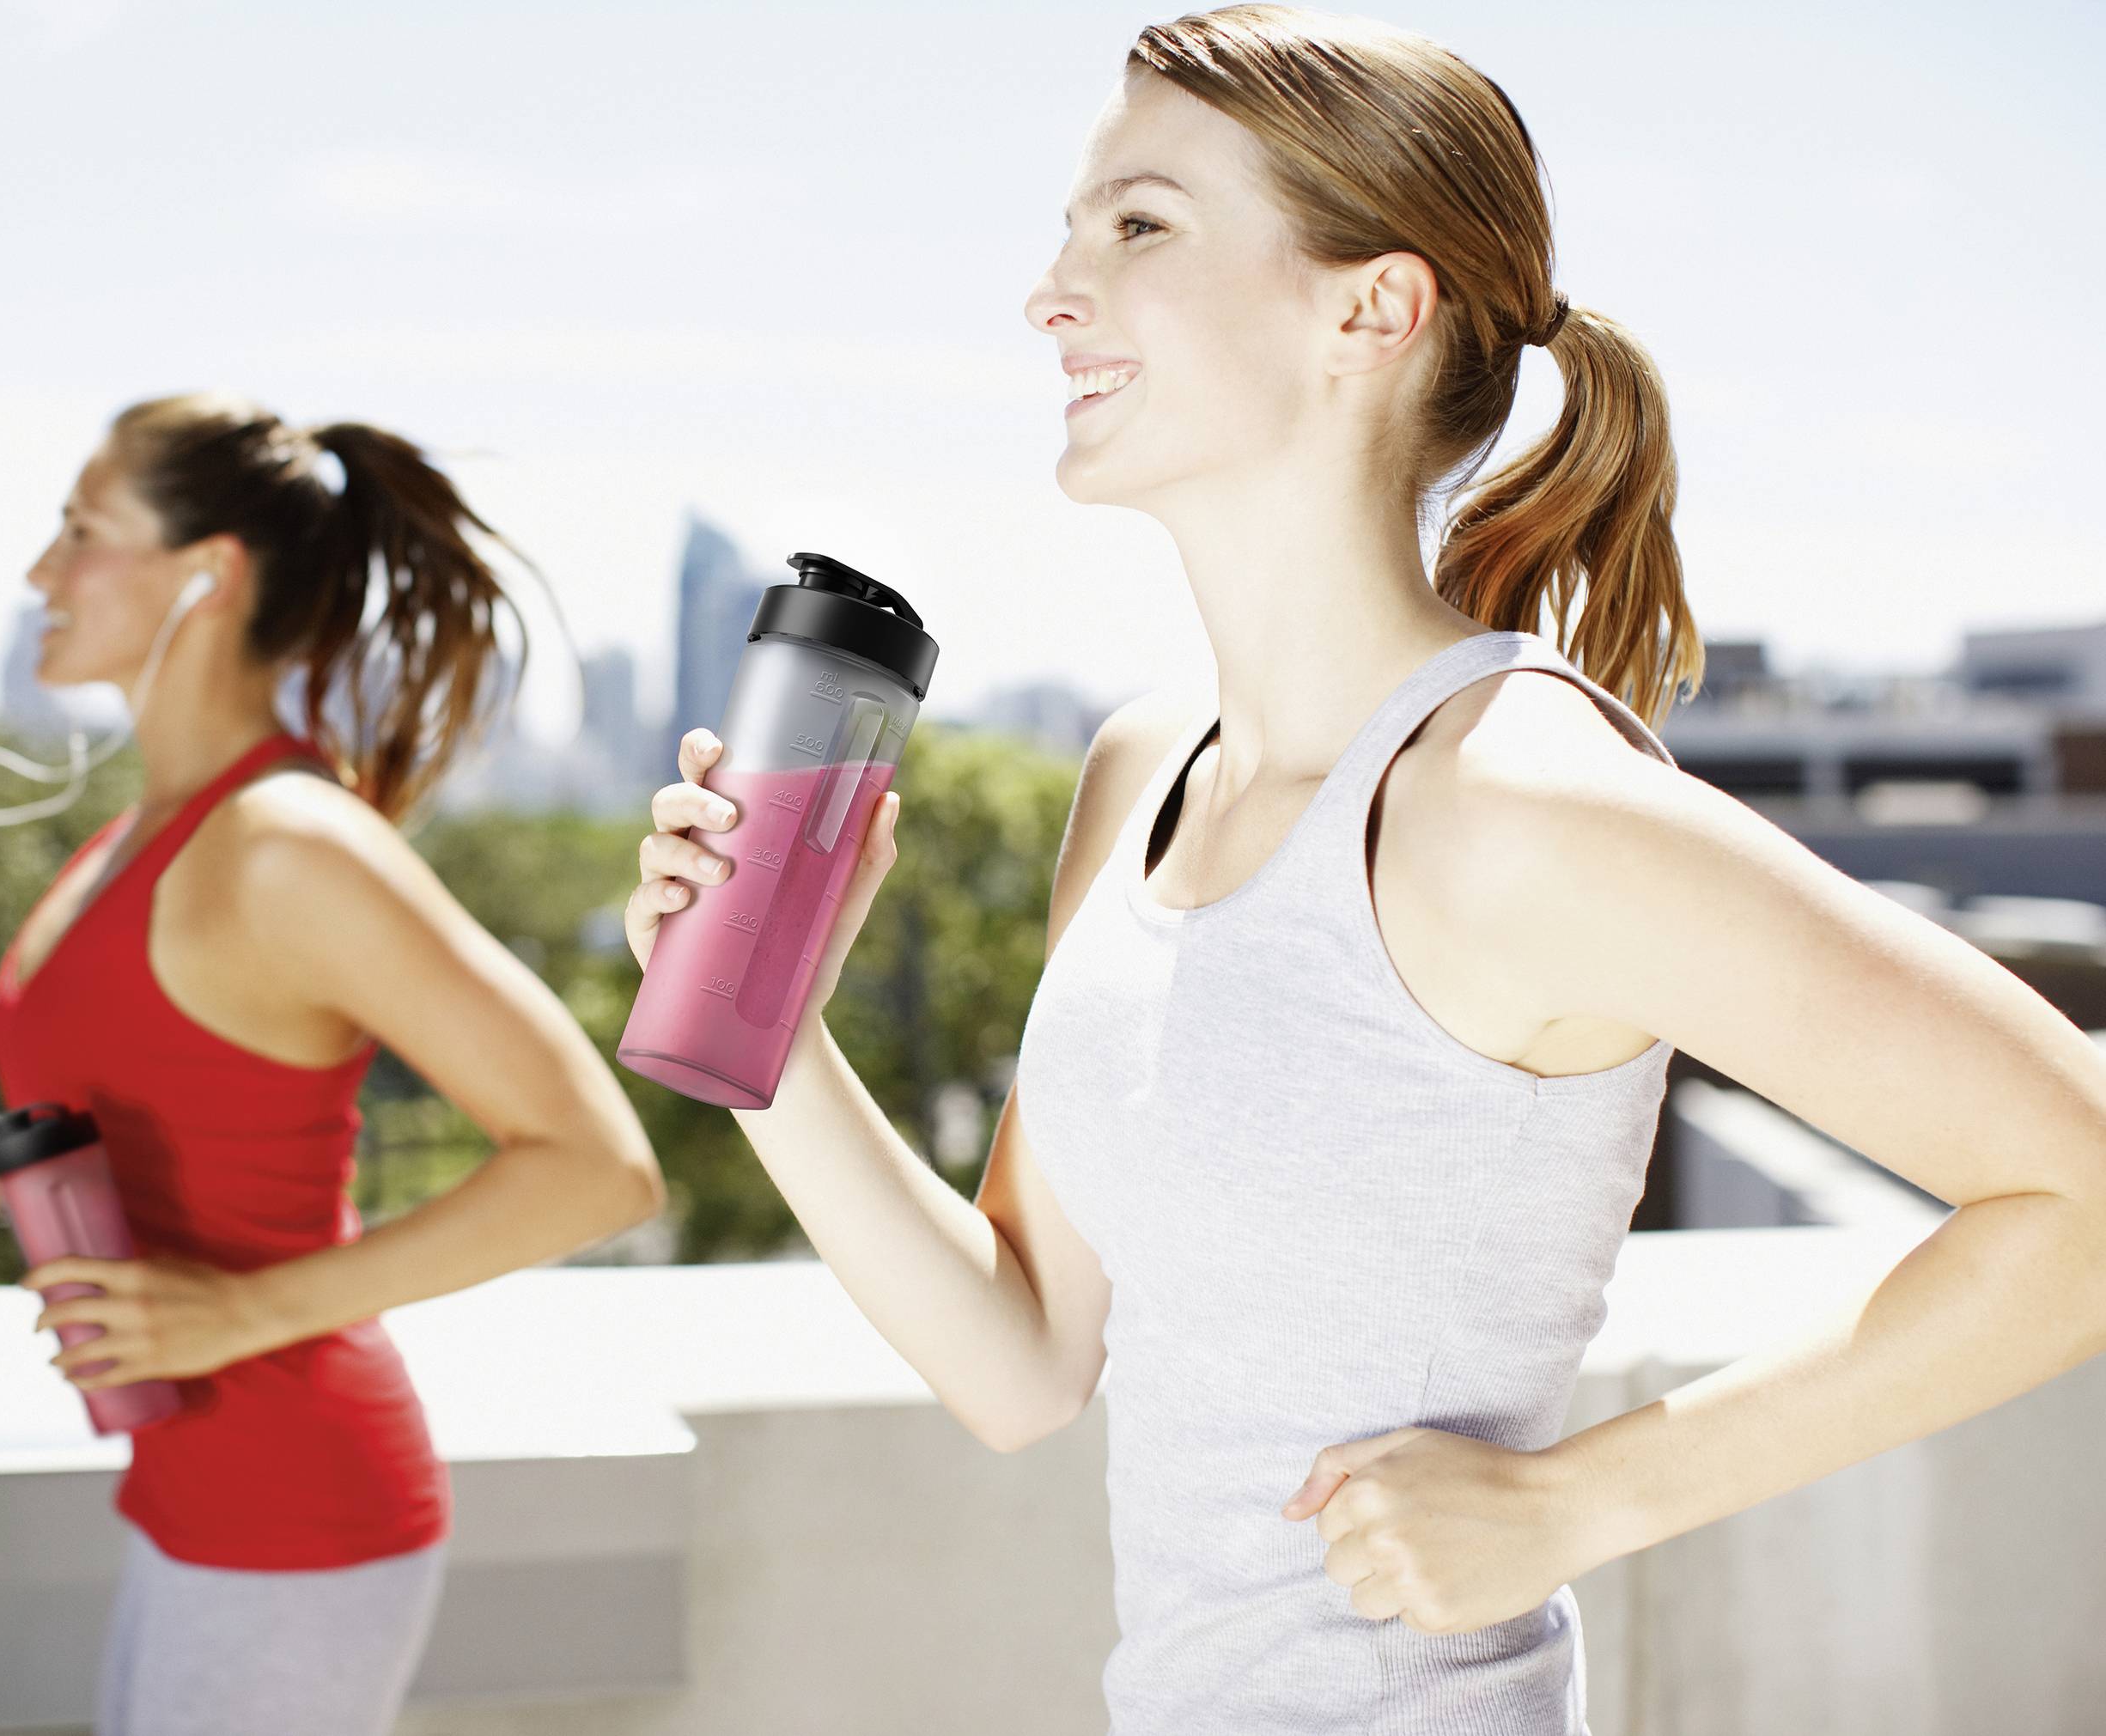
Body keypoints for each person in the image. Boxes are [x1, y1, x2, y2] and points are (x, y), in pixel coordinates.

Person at [624, 8, 2106, 1732]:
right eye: (1070, 228)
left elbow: (2077, 1187)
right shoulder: (1142, 774)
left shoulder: (1520, 803)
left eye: (1140, 224)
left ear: (1370, 310)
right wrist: (772, 1032)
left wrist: (1575, 1504)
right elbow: (1023, 1360)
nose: (1051, 293)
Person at [0, 392, 666, 1736]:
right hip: (191, 1497)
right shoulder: (139, 837)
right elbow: (125, 1185)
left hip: (300, 1515)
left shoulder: (288, 846)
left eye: (81, 530)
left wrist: (239, 1316)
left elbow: (599, 1167)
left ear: (209, 572)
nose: (41, 572)